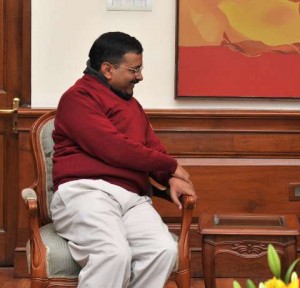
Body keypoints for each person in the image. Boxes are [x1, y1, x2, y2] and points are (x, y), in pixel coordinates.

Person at [50, 31, 197, 287]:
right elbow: (114, 148)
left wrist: (169, 177)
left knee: (163, 250)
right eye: (134, 69)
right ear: (108, 69)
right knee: (113, 254)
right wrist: (171, 166)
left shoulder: (133, 106)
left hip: (131, 199)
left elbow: (153, 148)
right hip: (86, 192)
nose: (140, 76)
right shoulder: (78, 98)